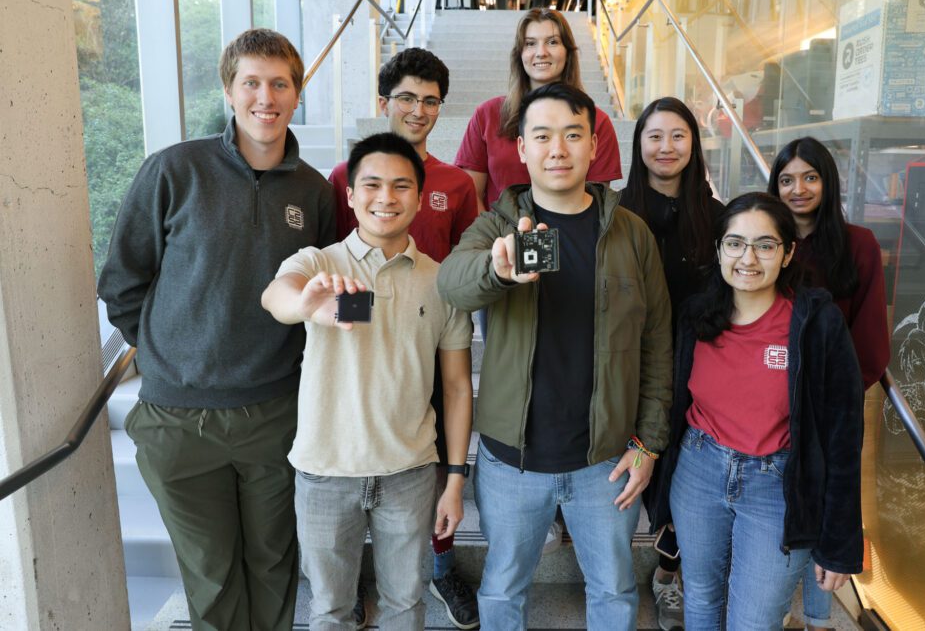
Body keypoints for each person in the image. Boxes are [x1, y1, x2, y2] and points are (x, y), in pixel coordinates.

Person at [97, 29, 337, 630]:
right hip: (178, 421)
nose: (266, 96)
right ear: (229, 90)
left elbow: (319, 298)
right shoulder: (175, 170)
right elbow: (123, 281)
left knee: (274, 565)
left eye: (279, 83)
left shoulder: (313, 191)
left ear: (297, 91)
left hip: (275, 413)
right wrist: (166, 354)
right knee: (211, 577)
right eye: (251, 82)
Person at [437, 83, 672, 629]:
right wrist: (497, 270)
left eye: (573, 134)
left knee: (614, 591)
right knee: (500, 589)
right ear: (521, 149)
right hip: (511, 461)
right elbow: (453, 283)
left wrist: (649, 444)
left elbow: (658, 341)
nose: (558, 149)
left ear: (595, 145)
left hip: (606, 461)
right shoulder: (500, 224)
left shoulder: (631, 234)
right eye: (541, 136)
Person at [261, 132, 474, 631]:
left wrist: (456, 479)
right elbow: (277, 295)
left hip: (410, 472)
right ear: (350, 195)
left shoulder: (441, 280)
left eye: (401, 186)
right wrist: (308, 303)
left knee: (407, 606)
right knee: (331, 611)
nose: (386, 198)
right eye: (372, 185)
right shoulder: (320, 262)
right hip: (326, 472)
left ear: (420, 199)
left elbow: (459, 387)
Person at [327, 47, 480, 629]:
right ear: (384, 101)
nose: (418, 110)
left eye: (431, 100)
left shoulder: (455, 183)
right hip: (361, 347)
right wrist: (361, 325)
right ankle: (355, 583)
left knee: (432, 457)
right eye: (407, 98)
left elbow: (467, 266)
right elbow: (336, 262)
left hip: (434, 339)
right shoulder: (348, 176)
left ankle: (439, 568)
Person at [663, 192, 864, 630]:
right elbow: (671, 402)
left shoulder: (816, 324)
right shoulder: (696, 316)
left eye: (765, 245)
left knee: (754, 620)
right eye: (734, 243)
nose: (747, 258)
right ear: (718, 250)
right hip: (699, 469)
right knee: (699, 597)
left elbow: (843, 437)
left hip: (778, 485)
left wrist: (840, 544)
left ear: (788, 252)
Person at [768, 136, 890, 630]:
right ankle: (777, 612)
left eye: (810, 177)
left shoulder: (858, 244)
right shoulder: (767, 240)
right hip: (772, 404)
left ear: (828, 181)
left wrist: (834, 400)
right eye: (787, 179)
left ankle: (818, 618)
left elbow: (871, 342)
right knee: (777, 508)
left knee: (825, 506)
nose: (798, 189)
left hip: (830, 408)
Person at [620, 97, 723, 631]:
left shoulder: (717, 216)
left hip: (696, 371)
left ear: (693, 144)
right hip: (625, 366)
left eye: (677, 136)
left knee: (682, 475)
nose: (666, 147)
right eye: (654, 136)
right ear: (638, 144)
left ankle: (667, 574)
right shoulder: (613, 212)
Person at [455, 7, 622, 212]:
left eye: (552, 42)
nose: (541, 52)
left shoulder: (597, 122)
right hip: (498, 238)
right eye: (530, 43)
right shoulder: (487, 115)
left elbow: (596, 204)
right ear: (520, 54)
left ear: (568, 52)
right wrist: (495, 240)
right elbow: (469, 196)